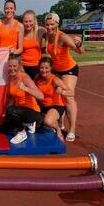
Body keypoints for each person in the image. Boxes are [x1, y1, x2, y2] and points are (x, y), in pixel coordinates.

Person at [44, 13, 84, 141]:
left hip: (69, 69)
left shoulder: (62, 37)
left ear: (57, 24)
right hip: (57, 70)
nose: (49, 27)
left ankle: (72, 129)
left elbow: (80, 51)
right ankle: (60, 124)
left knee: (68, 97)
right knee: (56, 95)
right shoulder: (47, 36)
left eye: (52, 24)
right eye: (47, 24)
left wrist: (79, 43)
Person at [2, 54, 44, 144]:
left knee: (11, 111)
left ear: (19, 66)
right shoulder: (10, 78)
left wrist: (26, 89)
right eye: (10, 66)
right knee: (1, 126)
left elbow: (41, 96)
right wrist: (5, 111)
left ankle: (22, 132)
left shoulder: (25, 78)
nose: (12, 68)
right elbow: (13, 98)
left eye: (14, 66)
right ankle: (27, 124)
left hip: (32, 112)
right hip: (19, 111)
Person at [35, 57, 73, 140]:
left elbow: (71, 92)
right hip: (43, 105)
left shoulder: (55, 80)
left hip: (56, 106)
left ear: (51, 68)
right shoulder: (37, 77)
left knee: (48, 121)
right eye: (41, 68)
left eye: (46, 68)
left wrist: (62, 92)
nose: (44, 70)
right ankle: (51, 120)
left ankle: (58, 129)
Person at [21, 10, 46, 79]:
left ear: (34, 21)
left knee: (37, 88)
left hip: (37, 66)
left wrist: (43, 50)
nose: (28, 24)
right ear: (22, 22)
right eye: (26, 21)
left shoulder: (40, 31)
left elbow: (52, 40)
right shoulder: (20, 32)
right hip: (23, 67)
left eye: (30, 21)